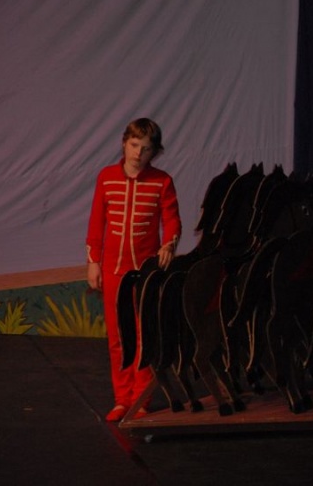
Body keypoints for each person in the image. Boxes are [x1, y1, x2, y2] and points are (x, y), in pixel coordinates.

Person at [86, 118, 182, 422]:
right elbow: (96, 222)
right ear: (124, 143)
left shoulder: (162, 182)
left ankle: (141, 399)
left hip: (145, 274)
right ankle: (122, 399)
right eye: (134, 145)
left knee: (143, 337)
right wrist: (93, 262)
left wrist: (168, 246)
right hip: (113, 272)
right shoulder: (106, 177)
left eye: (146, 148)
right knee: (117, 338)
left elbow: (172, 220)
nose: (138, 153)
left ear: (155, 152)